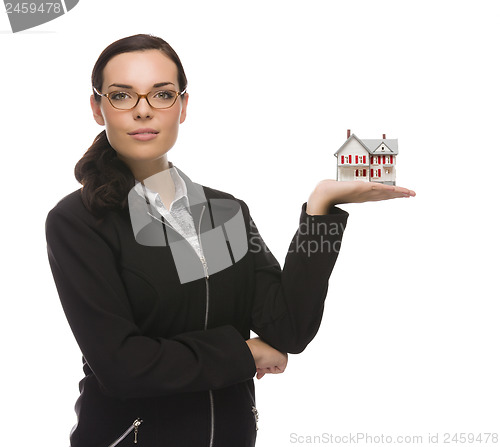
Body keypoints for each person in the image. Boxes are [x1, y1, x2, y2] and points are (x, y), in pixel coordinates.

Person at [45, 34, 415, 447]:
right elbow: (123, 366)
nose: (143, 110)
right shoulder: (80, 222)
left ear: (183, 106)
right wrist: (246, 354)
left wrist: (320, 212)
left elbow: (289, 328)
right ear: (98, 108)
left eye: (162, 94)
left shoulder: (222, 212)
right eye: (122, 96)